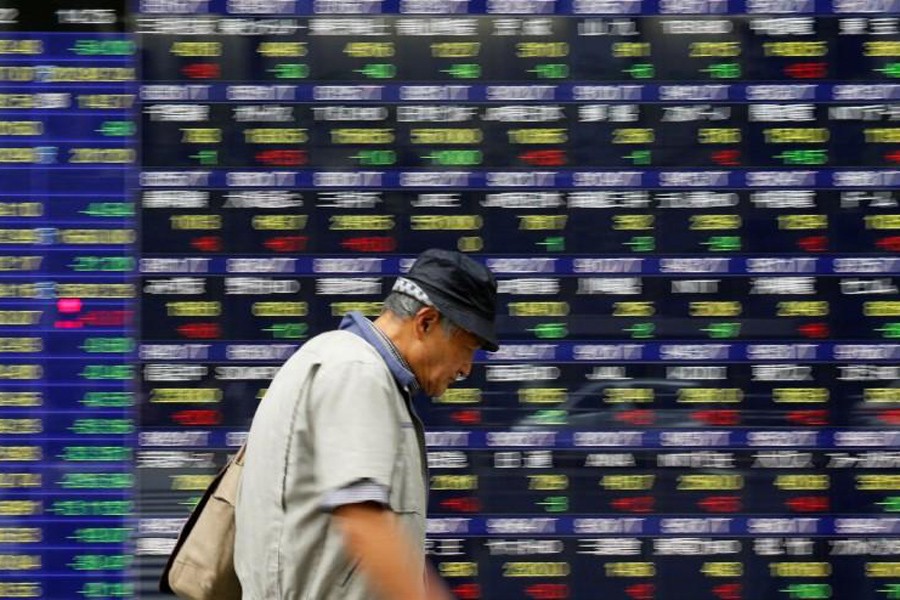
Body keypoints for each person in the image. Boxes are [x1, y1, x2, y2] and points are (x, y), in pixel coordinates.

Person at [234, 248, 498, 600]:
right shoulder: (356, 372)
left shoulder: (341, 361)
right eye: (467, 348)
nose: (466, 368)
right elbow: (363, 517)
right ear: (426, 322)